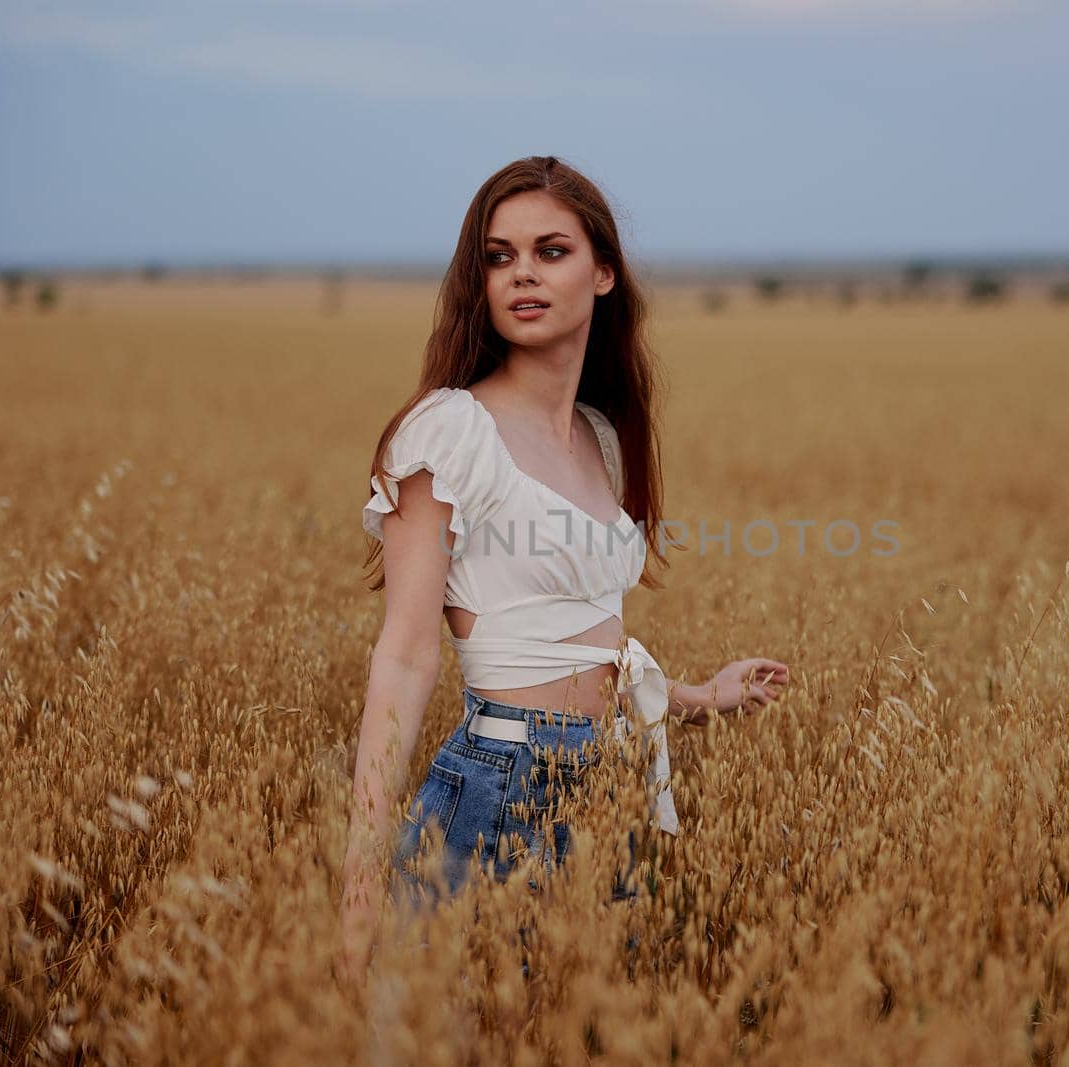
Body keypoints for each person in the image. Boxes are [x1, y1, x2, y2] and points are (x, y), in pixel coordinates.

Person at [336, 155, 789, 990]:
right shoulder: (447, 432)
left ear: (604, 271)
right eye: (499, 256)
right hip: (498, 785)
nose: (522, 275)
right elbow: (404, 657)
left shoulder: (602, 436)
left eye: (551, 250)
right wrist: (362, 880)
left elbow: (583, 647)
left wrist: (703, 698)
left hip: (607, 788)